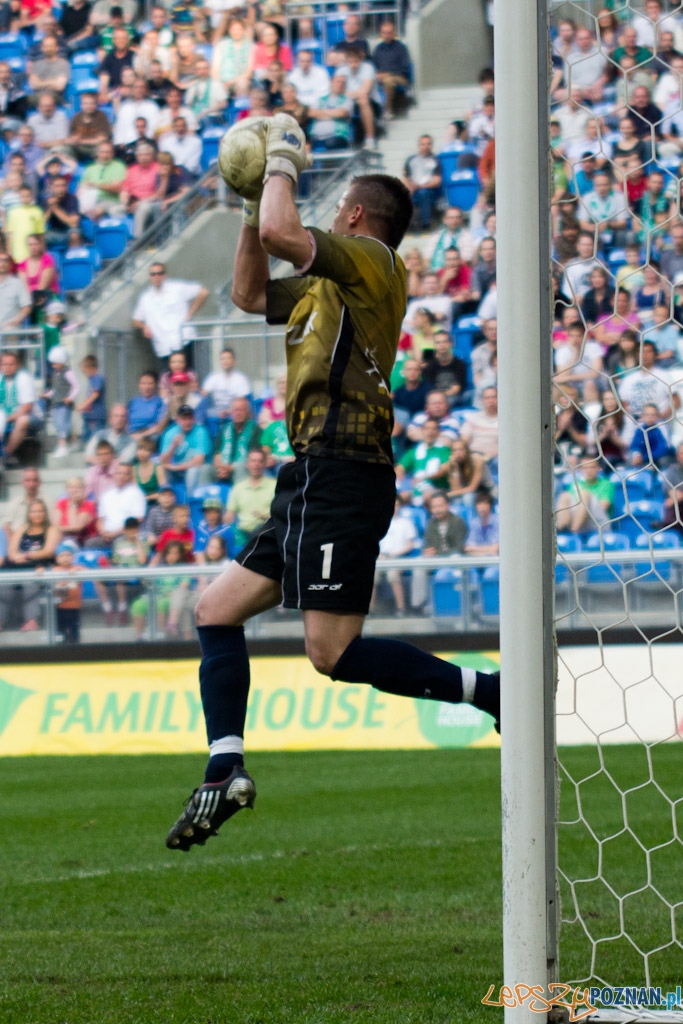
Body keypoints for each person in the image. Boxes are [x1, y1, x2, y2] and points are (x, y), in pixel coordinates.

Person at [165, 135, 500, 851]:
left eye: (337, 208)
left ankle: (490, 694)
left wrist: (279, 160)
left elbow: (287, 232)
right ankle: (225, 765)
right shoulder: (324, 288)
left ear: (351, 216)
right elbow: (249, 293)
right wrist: (253, 203)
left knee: (330, 653)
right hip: (312, 472)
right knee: (214, 608)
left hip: (345, 468)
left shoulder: (375, 262)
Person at [132, 261, 209, 362]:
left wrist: (191, 312)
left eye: (159, 273)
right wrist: (144, 326)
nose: (156, 277)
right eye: (153, 274)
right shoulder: (145, 297)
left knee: (189, 375)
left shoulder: (177, 288)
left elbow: (203, 292)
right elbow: (135, 320)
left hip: (184, 340)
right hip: (164, 347)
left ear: (165, 275)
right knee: (167, 377)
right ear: (149, 277)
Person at [223, 447, 276, 549]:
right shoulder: (238, 487)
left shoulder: (274, 485)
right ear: (247, 464)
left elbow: (279, 513)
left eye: (260, 461)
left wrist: (265, 516)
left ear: (265, 464)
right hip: (242, 532)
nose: (256, 464)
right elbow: (230, 514)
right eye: (253, 461)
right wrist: (226, 518)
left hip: (265, 529)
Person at [0, 349, 42, 465]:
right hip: (4, 416)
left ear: (17, 365)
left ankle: (6, 454)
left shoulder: (24, 378)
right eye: (4, 364)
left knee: (22, 420)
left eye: (11, 364)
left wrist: (7, 418)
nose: (7, 367)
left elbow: (27, 407)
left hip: (30, 417)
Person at [159, 403, 213, 492]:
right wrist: (173, 446)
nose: (187, 422)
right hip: (180, 468)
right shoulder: (170, 433)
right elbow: (163, 461)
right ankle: (166, 498)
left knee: (192, 471)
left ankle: (191, 501)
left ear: (194, 419)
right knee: (161, 468)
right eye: (184, 419)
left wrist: (176, 467)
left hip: (198, 468)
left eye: (190, 418)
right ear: (178, 420)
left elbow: (198, 461)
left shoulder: (201, 432)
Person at [44, 345, 79, 457]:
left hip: (64, 404)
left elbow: (76, 386)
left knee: (63, 424)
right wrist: (47, 394)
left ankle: (63, 445)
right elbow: (55, 389)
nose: (53, 365)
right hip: (56, 403)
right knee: (57, 423)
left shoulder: (68, 373)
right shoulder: (56, 374)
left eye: (55, 363)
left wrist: (71, 397)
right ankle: (64, 444)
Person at [402, 134, 442, 232]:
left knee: (424, 193)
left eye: (428, 144)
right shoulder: (411, 160)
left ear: (431, 145)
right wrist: (409, 188)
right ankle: (407, 226)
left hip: (429, 189)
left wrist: (420, 186)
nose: (425, 147)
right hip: (413, 188)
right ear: (419, 145)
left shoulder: (435, 160)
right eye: (423, 144)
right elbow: (405, 177)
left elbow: (437, 181)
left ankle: (426, 224)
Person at [371, 21, 410, 118]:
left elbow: (404, 68)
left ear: (393, 33)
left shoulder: (401, 48)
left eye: (389, 32)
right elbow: (373, 66)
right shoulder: (378, 49)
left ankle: (388, 110)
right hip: (380, 77)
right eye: (384, 32)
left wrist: (388, 74)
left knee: (388, 81)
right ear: (381, 34)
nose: (387, 35)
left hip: (399, 77)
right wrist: (377, 74)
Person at [50, 539, 82, 643]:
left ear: (72, 557)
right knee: (60, 632)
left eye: (68, 555)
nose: (65, 558)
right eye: (62, 556)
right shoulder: (55, 570)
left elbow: (86, 571)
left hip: (74, 607)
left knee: (74, 632)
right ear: (57, 559)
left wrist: (75, 571)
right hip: (59, 608)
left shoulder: (77, 568)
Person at [76, 353, 106, 444]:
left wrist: (82, 405)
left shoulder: (98, 379)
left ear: (91, 368)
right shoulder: (91, 380)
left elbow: (95, 395)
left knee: (96, 438)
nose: (84, 374)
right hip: (89, 415)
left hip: (97, 415)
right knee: (86, 437)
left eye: (84, 371)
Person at [0, 251, 31, 328]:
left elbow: (27, 306)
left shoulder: (18, 283)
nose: (2, 263)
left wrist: (16, 321)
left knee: (10, 330)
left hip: (10, 327)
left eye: (6, 260)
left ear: (10, 264)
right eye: (0, 260)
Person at [465, 490, 500, 555]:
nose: (482, 507)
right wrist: (488, 550)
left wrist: (475, 549)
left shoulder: (498, 521)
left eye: (485, 503)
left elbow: (496, 549)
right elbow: (468, 549)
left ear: (490, 505)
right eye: (479, 504)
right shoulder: (474, 523)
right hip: (478, 562)